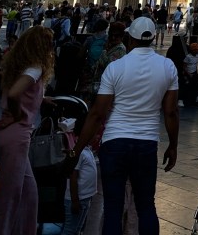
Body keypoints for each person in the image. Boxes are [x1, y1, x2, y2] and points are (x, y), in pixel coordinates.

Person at [67, 16, 179, 235]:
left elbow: (97, 114)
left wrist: (75, 151)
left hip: (114, 142)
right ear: (152, 38)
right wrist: (173, 146)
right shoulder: (167, 66)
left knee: (113, 208)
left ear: (130, 38)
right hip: (146, 143)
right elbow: (171, 112)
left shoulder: (115, 67)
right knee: (146, 206)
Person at [0, 25, 56, 235]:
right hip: (16, 136)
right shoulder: (36, 68)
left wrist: (41, 98)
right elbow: (15, 94)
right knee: (7, 198)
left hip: (4, 135)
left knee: (29, 193)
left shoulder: (19, 67)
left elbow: (21, 92)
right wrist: (18, 115)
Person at [61, 114, 98, 235]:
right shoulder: (77, 151)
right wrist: (75, 200)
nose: (97, 137)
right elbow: (73, 177)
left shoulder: (86, 149)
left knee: (77, 228)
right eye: (94, 134)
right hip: (77, 199)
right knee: (70, 230)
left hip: (85, 198)